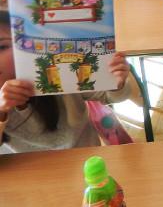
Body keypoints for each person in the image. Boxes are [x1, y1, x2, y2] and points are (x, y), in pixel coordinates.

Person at [0, 10, 132, 153]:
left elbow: (110, 96)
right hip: (34, 166)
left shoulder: (58, 71)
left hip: (87, 154)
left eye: (2, 47)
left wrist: (115, 82)